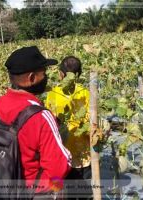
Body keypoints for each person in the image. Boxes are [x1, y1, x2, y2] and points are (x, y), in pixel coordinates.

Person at [0, 46, 71, 199]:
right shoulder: (41, 116)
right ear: (32, 78)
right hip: (32, 192)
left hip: (0, 187)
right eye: (44, 73)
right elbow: (58, 167)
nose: (46, 77)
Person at [45, 56, 92, 199]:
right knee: (85, 192)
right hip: (83, 152)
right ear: (79, 74)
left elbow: (50, 122)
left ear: (61, 74)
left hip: (62, 154)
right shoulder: (85, 92)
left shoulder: (53, 93)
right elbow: (92, 120)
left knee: (66, 193)